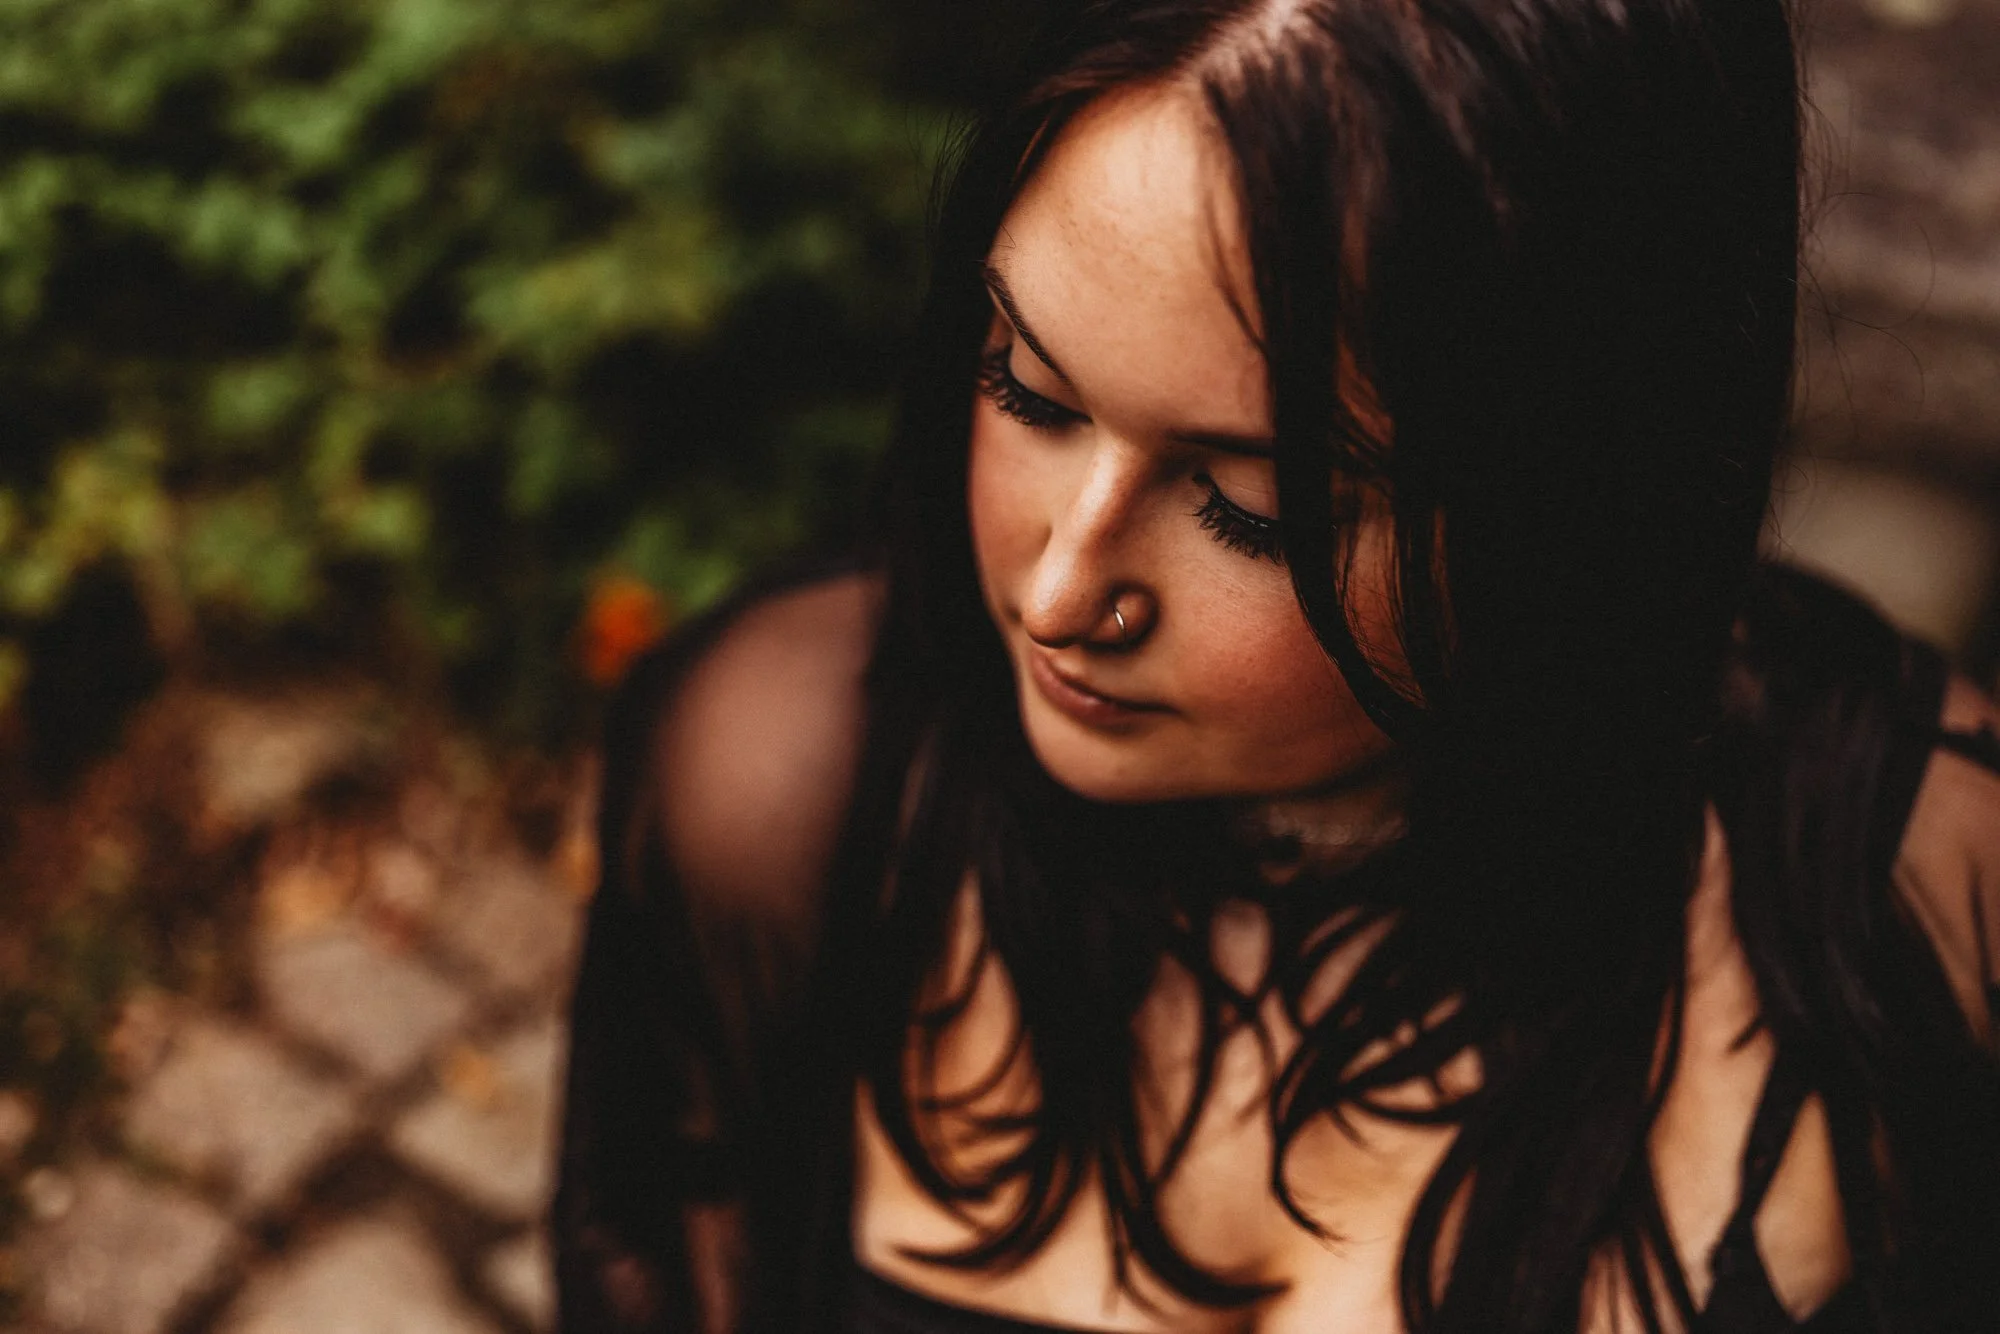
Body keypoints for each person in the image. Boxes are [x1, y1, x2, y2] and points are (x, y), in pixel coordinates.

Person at [552, 1, 2000, 1330]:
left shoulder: (1913, 906)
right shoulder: (785, 782)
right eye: (1028, 387)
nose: (1061, 595)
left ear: (1576, 491)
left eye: (1259, 511)